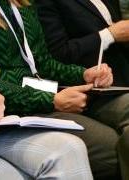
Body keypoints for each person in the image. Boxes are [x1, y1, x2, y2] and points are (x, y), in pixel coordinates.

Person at [0, 0, 120, 179]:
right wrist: (48, 99)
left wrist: (83, 74)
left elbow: (43, 64)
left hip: (44, 95)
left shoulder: (23, 3)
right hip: (12, 109)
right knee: (109, 147)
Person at [35, 0, 129, 179]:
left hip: (117, 80)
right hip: (89, 90)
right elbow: (58, 54)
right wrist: (110, 35)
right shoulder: (46, 3)